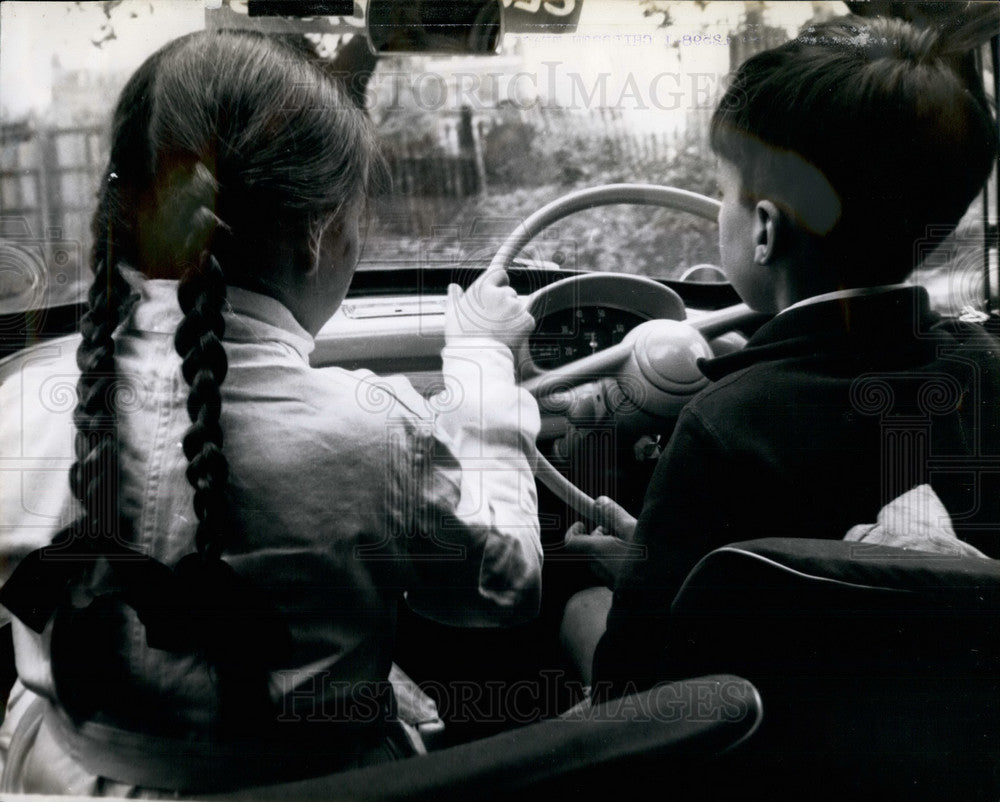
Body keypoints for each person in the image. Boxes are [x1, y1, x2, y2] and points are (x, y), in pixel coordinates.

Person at [0, 30, 541, 795]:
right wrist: (482, 368)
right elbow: (503, 588)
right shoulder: (376, 431)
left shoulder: (21, 401)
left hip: (57, 777)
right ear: (319, 235)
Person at [563, 13, 1000, 699]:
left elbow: (635, 687)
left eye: (723, 191)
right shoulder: (986, 370)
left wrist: (646, 576)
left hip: (752, 740)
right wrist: (666, 566)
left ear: (764, 230)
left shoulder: (723, 425)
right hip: (945, 730)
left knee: (582, 607)